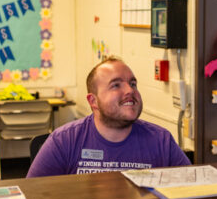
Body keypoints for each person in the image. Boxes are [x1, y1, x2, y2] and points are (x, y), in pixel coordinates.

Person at [27, 56, 190, 176]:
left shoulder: (161, 141)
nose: (130, 91)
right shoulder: (63, 141)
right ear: (93, 101)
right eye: (116, 85)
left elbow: (191, 191)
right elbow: (33, 197)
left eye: (133, 84)